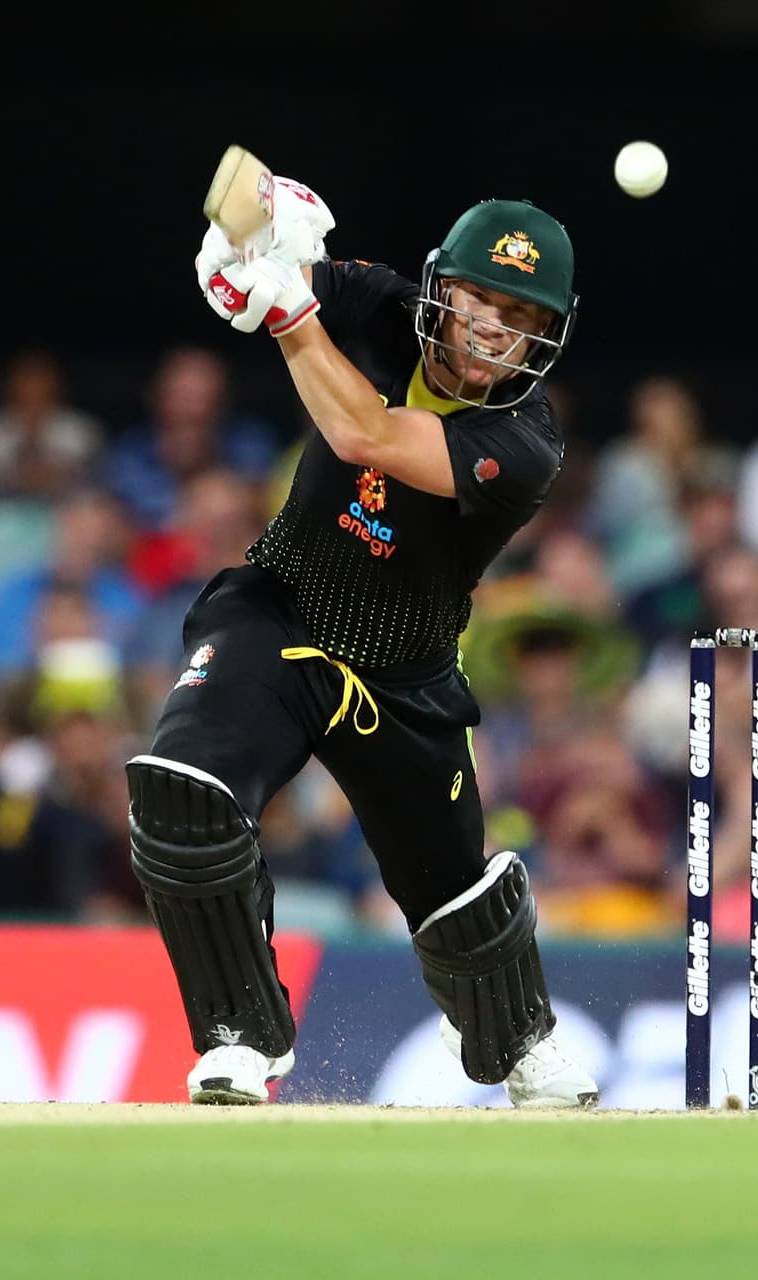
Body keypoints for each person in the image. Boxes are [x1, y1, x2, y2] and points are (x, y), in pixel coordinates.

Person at [121, 178, 597, 1108]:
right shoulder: (378, 304)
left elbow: (366, 432)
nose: (496, 330)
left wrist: (291, 317)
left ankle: (523, 1045)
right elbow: (246, 227)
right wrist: (248, 236)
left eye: (522, 316)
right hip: (281, 617)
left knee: (453, 892)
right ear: (442, 291)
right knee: (184, 792)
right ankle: (238, 1037)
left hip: (404, 674)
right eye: (482, 300)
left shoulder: (526, 442)